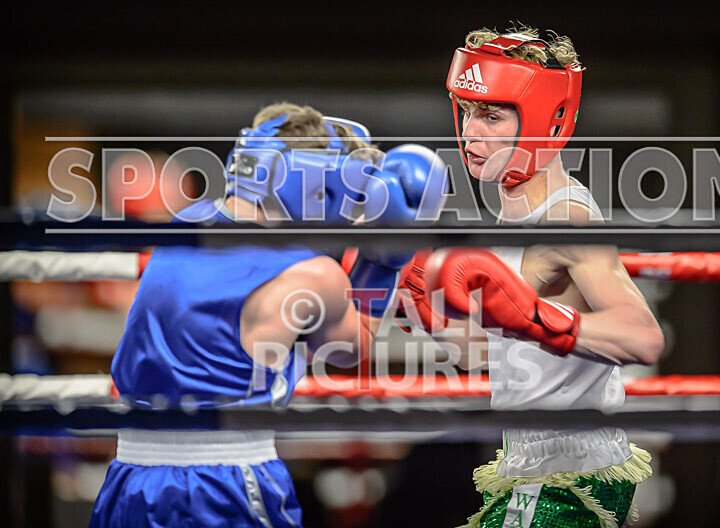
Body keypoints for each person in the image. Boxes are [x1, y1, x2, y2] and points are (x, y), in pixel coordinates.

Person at [90, 102, 448, 527]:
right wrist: (383, 261)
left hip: (130, 476)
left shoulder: (185, 222)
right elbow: (351, 350)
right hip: (225, 480)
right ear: (318, 186)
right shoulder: (314, 276)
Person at [397, 27, 664, 528]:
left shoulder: (566, 220)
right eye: (467, 109)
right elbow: (490, 354)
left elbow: (642, 337)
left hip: (572, 470)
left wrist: (532, 316)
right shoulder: (511, 219)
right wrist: (423, 310)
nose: (471, 131)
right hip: (531, 458)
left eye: (491, 115)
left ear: (545, 119)